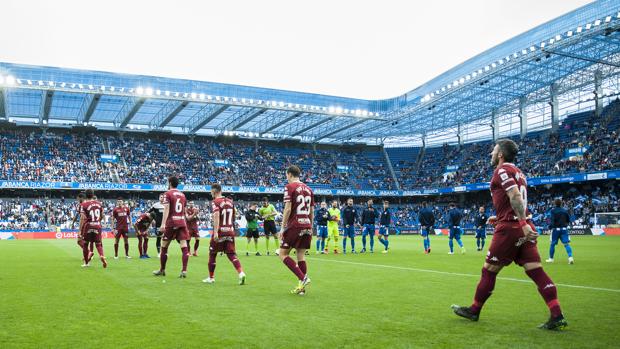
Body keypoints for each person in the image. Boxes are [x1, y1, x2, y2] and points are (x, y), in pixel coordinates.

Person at [452, 139, 567, 330]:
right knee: (536, 270)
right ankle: (557, 315)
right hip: (521, 225)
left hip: (513, 228)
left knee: (488, 270)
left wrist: (519, 223)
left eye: (493, 150)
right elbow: (513, 200)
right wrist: (503, 218)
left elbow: (515, 196)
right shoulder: (519, 173)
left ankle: (474, 310)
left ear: (500, 155)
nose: (490, 154)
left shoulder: (502, 170)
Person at [277, 165, 313, 295]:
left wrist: (282, 227)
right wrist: (311, 227)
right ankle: (301, 289)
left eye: (286, 175)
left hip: (295, 225)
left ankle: (303, 278)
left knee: (282, 254)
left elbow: (287, 209)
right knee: (301, 256)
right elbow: (311, 211)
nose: (286, 178)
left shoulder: (289, 187)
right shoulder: (309, 189)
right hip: (307, 225)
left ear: (290, 174)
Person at [202, 184, 246, 285]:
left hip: (221, 231)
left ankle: (211, 277)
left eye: (211, 191)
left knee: (212, 253)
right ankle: (241, 273)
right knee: (231, 254)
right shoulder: (230, 201)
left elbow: (216, 215)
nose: (210, 193)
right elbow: (234, 214)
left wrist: (216, 231)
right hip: (230, 230)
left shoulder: (215, 202)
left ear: (214, 191)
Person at [153, 176, 191, 278]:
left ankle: (162, 270)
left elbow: (166, 208)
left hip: (171, 223)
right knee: (184, 246)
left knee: (164, 246)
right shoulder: (183, 195)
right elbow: (184, 209)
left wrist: (163, 224)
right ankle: (184, 270)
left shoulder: (167, 193)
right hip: (182, 222)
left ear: (169, 183)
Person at [80, 189, 107, 268]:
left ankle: (86, 263)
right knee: (98, 244)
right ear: (93, 194)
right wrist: (98, 221)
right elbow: (102, 215)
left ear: (86, 195)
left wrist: (81, 229)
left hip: (88, 225)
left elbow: (82, 217)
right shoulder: (99, 204)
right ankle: (101, 255)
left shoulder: (84, 204)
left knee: (85, 244)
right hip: (97, 225)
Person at [546, 199, 574, 264]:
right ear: (561, 203)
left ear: (555, 204)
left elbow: (552, 221)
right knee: (566, 244)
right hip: (564, 229)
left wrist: (549, 228)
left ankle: (551, 259)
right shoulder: (565, 211)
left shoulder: (553, 211)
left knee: (552, 244)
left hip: (556, 230)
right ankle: (570, 258)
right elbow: (568, 220)